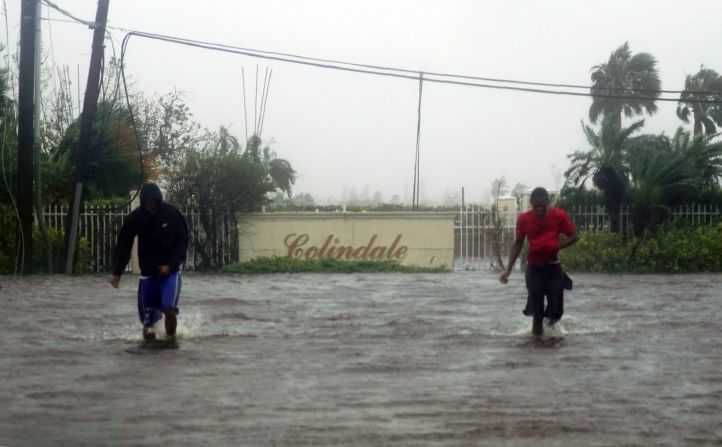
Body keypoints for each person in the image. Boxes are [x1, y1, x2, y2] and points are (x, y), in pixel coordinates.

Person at [110, 183, 188, 342]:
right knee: (148, 321)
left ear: (158, 199)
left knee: (168, 308)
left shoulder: (172, 214)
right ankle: (148, 350)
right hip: (148, 274)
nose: (150, 203)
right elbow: (124, 244)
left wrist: (171, 265)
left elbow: (183, 242)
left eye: (153, 200)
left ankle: (171, 341)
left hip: (170, 273)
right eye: (147, 200)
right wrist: (117, 273)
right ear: (143, 200)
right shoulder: (135, 218)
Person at [499, 187, 579, 336]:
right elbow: (518, 243)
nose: (540, 209)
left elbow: (574, 236)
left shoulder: (559, 216)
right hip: (534, 269)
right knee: (537, 313)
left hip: (554, 269)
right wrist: (508, 269)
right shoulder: (524, 219)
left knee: (557, 312)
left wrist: (557, 246)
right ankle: (536, 346)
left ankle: (549, 328)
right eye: (537, 206)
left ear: (548, 203)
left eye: (543, 206)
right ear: (531, 204)